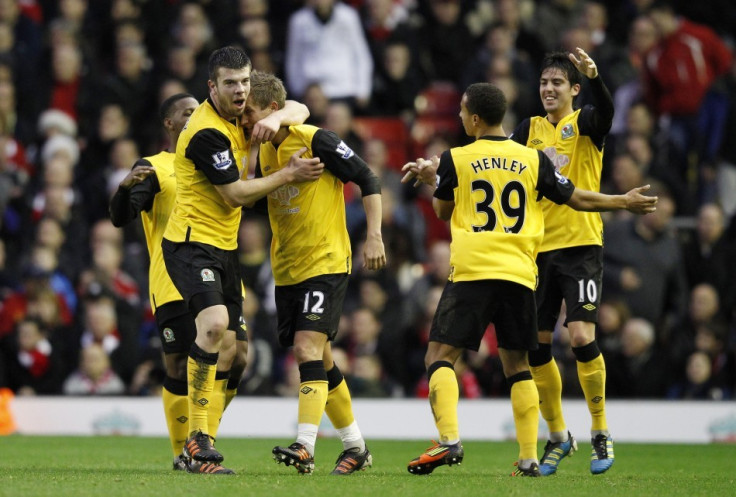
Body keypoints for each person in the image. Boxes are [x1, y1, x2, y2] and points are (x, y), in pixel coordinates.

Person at [400, 82, 656, 476]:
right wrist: (622, 201)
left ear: (474, 118)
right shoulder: (533, 160)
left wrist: (435, 177)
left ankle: (449, 440)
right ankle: (529, 458)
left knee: (440, 357)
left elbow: (441, 210)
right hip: (521, 273)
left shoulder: (457, 157)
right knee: (518, 365)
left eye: (461, 114)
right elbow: (576, 198)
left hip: (472, 270)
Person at [160, 46, 323, 474]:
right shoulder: (205, 132)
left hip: (224, 247)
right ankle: (195, 442)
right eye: (230, 83)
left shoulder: (243, 112)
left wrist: (273, 117)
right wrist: (287, 174)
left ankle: (202, 444)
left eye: (244, 81)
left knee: (239, 355)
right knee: (214, 326)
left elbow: (300, 106)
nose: (239, 90)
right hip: (191, 243)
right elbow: (234, 195)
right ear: (211, 87)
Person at [242, 70, 386, 475]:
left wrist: (374, 236)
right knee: (318, 358)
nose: (245, 119)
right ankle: (355, 447)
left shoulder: (314, 138)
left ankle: (305, 444)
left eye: (250, 111)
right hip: (287, 267)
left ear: (273, 110)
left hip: (326, 261)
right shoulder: (262, 148)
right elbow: (248, 200)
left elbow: (367, 177)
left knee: (306, 348)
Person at [109, 93, 250, 474]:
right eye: (187, 112)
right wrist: (124, 190)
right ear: (169, 124)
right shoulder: (154, 167)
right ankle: (187, 452)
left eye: (197, 110)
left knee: (237, 358)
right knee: (177, 367)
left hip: (220, 271)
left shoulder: (216, 153)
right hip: (173, 277)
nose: (195, 116)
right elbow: (122, 218)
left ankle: (202, 442)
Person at [508, 48, 616, 475]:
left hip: (581, 245)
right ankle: (559, 436)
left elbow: (606, 112)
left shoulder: (585, 123)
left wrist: (596, 76)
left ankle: (601, 431)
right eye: (543, 83)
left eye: (557, 83)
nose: (548, 89)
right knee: (534, 347)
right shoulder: (527, 130)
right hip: (537, 250)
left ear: (573, 90)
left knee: (579, 336)